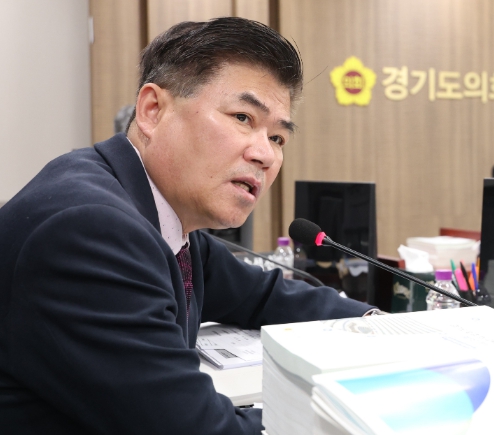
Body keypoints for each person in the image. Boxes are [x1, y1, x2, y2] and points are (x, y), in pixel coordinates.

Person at [0, 17, 377, 434]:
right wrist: (366, 413)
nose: (266, 155)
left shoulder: (157, 211)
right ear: (153, 110)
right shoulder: (90, 231)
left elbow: (258, 294)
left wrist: (384, 325)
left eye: (277, 138)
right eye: (243, 117)